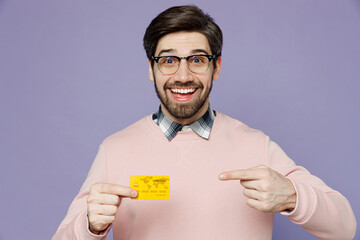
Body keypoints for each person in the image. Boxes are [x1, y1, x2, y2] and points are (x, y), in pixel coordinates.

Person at [53, 5, 356, 240]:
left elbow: (345, 228)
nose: (183, 76)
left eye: (197, 59)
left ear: (216, 67)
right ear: (151, 69)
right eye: (168, 60)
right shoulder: (114, 149)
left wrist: (292, 195)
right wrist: (90, 226)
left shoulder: (256, 146)